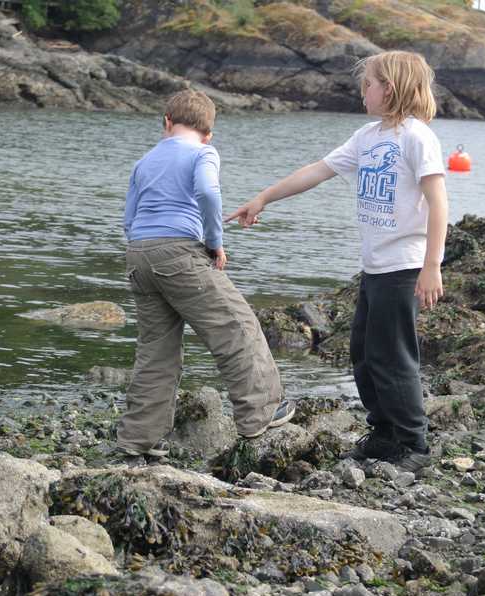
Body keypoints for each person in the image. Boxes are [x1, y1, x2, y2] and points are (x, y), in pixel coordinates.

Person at [225, 51, 448, 471]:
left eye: (369, 84)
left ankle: (413, 444)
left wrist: (432, 265)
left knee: (394, 356)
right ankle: (383, 433)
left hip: (404, 266)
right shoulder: (367, 136)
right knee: (363, 353)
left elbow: (438, 203)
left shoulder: (417, 137)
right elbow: (317, 171)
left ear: (390, 89)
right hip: (375, 267)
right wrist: (263, 198)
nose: (362, 91)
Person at [116, 89, 295, 459]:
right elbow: (208, 194)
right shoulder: (203, 153)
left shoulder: (144, 161)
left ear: (167, 122)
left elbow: (129, 218)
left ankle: (138, 439)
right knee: (236, 325)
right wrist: (215, 241)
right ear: (208, 134)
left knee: (155, 350)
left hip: (138, 254)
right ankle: (261, 411)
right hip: (180, 252)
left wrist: (144, 248)